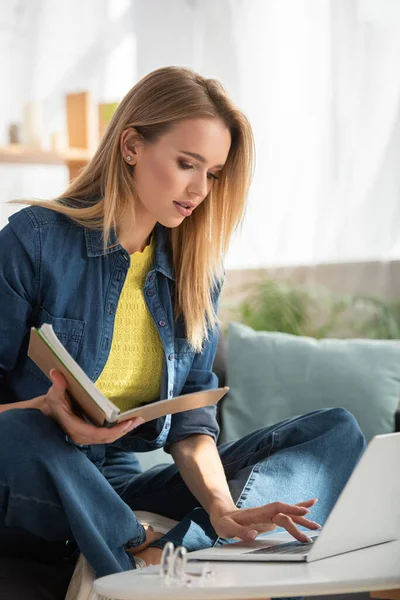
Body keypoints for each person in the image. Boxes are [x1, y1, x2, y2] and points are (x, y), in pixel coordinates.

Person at [0, 66, 366, 585]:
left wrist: (220, 506)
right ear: (131, 146)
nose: (200, 188)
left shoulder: (194, 268)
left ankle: (208, 547)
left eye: (213, 173)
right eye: (186, 164)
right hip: (35, 478)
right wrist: (41, 407)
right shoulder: (33, 242)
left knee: (335, 431)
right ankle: (139, 551)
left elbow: (193, 422)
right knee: (21, 428)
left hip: (117, 485)